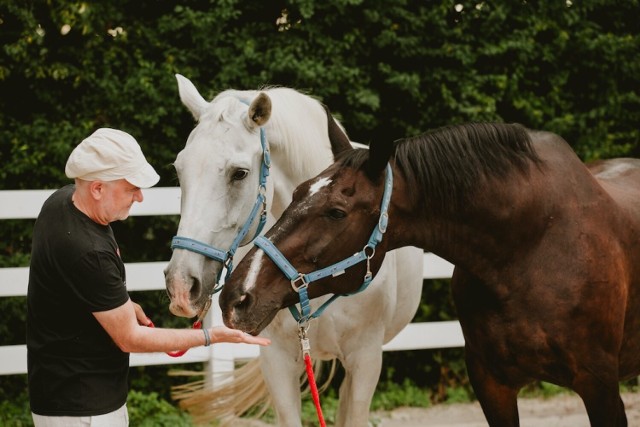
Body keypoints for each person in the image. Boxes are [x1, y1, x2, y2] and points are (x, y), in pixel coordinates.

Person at [26, 128, 270, 426]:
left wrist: (122, 304)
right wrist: (210, 336)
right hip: (84, 408)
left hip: (60, 393)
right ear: (98, 189)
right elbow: (130, 338)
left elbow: (73, 287)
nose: (140, 197)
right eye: (131, 188)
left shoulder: (61, 203)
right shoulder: (88, 252)